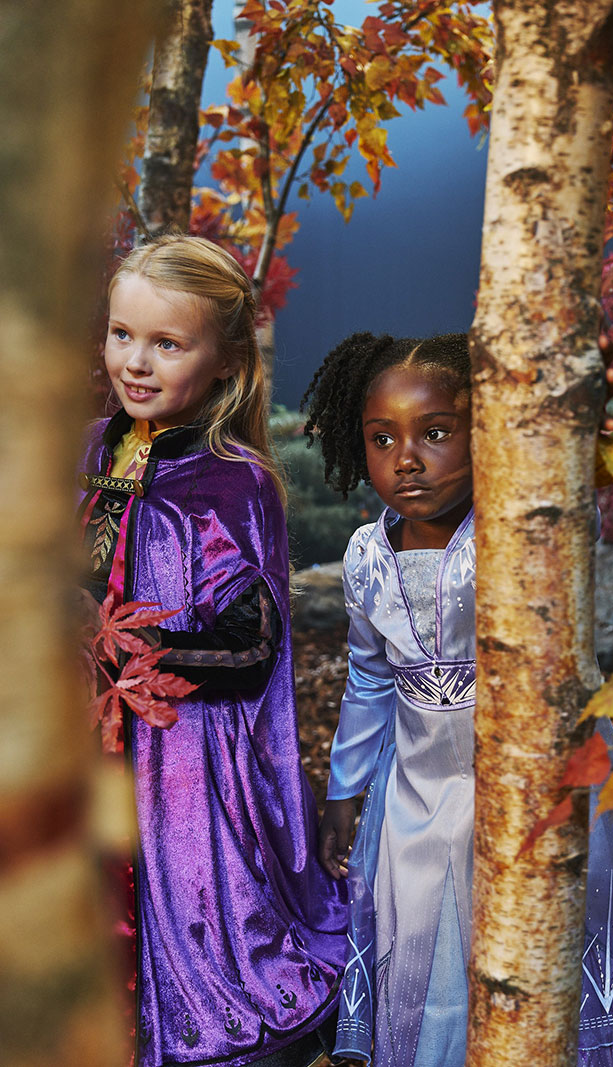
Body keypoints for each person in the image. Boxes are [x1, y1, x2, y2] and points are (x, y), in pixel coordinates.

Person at [301, 332, 613, 1067]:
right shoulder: (367, 555)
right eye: (381, 438)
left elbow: (575, 521)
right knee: (423, 942)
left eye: (435, 433)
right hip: (414, 789)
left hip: (533, 784)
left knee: (525, 944)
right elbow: (369, 678)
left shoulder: (519, 533)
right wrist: (343, 793)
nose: (405, 458)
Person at [78, 234, 347, 1067]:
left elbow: (252, 646)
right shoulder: (92, 449)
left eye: (167, 343)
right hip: (81, 734)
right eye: (122, 334)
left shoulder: (233, 481)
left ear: (226, 361)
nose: (136, 362)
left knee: (182, 908)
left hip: (183, 759)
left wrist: (133, 650)